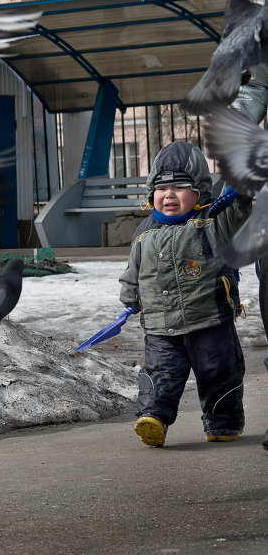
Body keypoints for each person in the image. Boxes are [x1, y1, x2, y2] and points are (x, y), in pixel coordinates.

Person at [119, 140, 252, 447]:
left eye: (180, 188)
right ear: (151, 193)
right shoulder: (145, 231)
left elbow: (240, 209)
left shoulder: (214, 222)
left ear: (199, 192)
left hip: (210, 320)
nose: (169, 195)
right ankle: (154, 418)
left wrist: (241, 190)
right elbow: (133, 270)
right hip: (160, 326)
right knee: (159, 376)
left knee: (220, 375)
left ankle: (223, 424)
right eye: (161, 188)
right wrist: (130, 297)